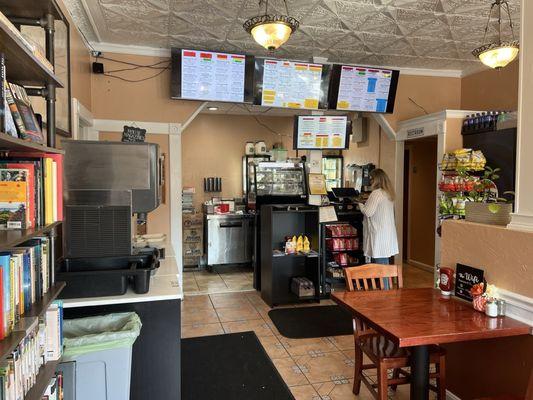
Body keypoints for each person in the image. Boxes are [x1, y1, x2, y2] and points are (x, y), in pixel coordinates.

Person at [358, 168, 399, 267]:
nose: (370, 181)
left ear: (377, 180)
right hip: (387, 234)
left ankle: (385, 283)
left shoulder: (376, 193)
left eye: (372, 179)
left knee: (381, 266)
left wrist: (359, 204)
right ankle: (386, 283)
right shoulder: (388, 193)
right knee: (385, 264)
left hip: (379, 234)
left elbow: (368, 212)